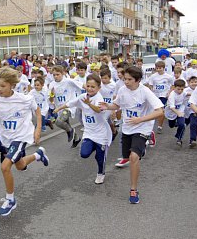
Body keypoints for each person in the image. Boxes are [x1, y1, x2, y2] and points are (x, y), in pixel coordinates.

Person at [0, 66, 49, 216]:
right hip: (7, 138)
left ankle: (10, 200)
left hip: (21, 137)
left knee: (5, 167)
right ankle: (38, 155)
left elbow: (37, 111)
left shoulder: (24, 99)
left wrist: (38, 130)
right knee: (20, 165)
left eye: (2, 86)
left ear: (12, 85)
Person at [100, 66, 164, 204]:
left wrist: (140, 119)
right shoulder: (122, 90)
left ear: (138, 80)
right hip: (127, 129)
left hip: (142, 128)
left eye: (129, 79)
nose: (126, 82)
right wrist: (107, 106)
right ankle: (140, 150)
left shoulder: (145, 92)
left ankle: (133, 189)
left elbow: (160, 111)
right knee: (127, 156)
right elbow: (117, 105)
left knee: (134, 157)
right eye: (124, 79)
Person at [55, 74, 112, 184]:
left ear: (98, 88)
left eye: (93, 87)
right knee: (84, 154)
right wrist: (59, 108)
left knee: (100, 158)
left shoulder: (99, 98)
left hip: (101, 134)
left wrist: (89, 104)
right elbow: (71, 103)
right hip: (89, 132)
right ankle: (96, 146)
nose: (90, 89)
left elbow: (98, 110)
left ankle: (101, 173)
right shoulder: (82, 97)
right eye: (88, 86)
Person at [49, 65, 84, 148]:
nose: (56, 76)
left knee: (59, 122)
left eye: (58, 74)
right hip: (59, 108)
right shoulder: (52, 84)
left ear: (63, 73)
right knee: (66, 125)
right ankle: (76, 138)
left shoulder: (68, 81)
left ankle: (71, 131)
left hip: (69, 106)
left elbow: (82, 85)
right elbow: (51, 100)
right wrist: (52, 93)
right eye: (54, 75)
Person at [148, 61, 173, 134]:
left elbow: (172, 85)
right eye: (157, 68)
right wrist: (151, 93)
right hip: (155, 95)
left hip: (164, 95)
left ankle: (159, 126)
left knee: (161, 111)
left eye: (160, 68)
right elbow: (151, 85)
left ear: (164, 68)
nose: (159, 69)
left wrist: (169, 92)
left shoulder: (168, 77)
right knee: (154, 111)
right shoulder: (153, 76)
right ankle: (150, 126)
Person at [165, 79, 187, 147]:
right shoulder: (172, 95)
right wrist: (178, 113)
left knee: (182, 124)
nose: (180, 91)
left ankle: (179, 139)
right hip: (171, 112)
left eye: (182, 89)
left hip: (180, 110)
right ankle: (175, 123)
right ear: (174, 88)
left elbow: (187, 94)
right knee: (171, 125)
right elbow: (172, 107)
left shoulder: (183, 92)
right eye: (178, 89)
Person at [184, 76, 197, 148]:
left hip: (196, 110)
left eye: (195, 82)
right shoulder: (185, 90)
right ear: (188, 83)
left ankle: (192, 140)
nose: (194, 83)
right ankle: (179, 138)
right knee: (183, 125)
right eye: (192, 82)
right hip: (186, 111)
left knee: (193, 124)